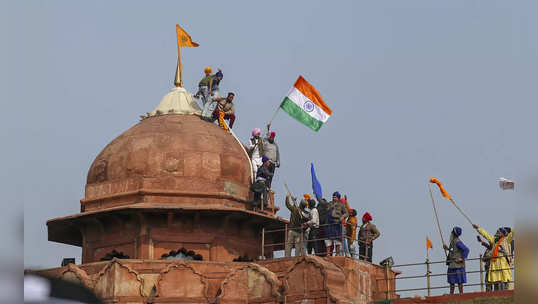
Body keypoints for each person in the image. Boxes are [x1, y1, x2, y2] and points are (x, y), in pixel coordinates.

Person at [473, 224, 513, 291]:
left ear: (502, 234)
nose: (497, 233)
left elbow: (512, 233)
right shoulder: (494, 240)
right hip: (495, 263)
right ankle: (497, 293)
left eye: (499, 232)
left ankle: (504, 293)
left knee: (504, 278)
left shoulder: (506, 240)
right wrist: (478, 228)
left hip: (503, 263)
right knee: (496, 279)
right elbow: (486, 235)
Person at [443, 227, 469, 294]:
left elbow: (466, 249)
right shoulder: (453, 242)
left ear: (453, 234)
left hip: (458, 265)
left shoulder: (457, 241)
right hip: (452, 264)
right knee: (451, 282)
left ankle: (461, 295)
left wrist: (462, 258)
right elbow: (454, 251)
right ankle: (451, 296)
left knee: (459, 282)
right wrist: (447, 249)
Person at [325, 192, 349, 256]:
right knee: (328, 240)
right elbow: (324, 205)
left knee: (337, 240)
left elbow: (347, 213)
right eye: (333, 197)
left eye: (335, 197)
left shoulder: (341, 205)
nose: (333, 198)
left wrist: (342, 217)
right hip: (329, 223)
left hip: (337, 223)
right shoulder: (330, 203)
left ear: (338, 198)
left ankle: (337, 254)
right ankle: (328, 254)